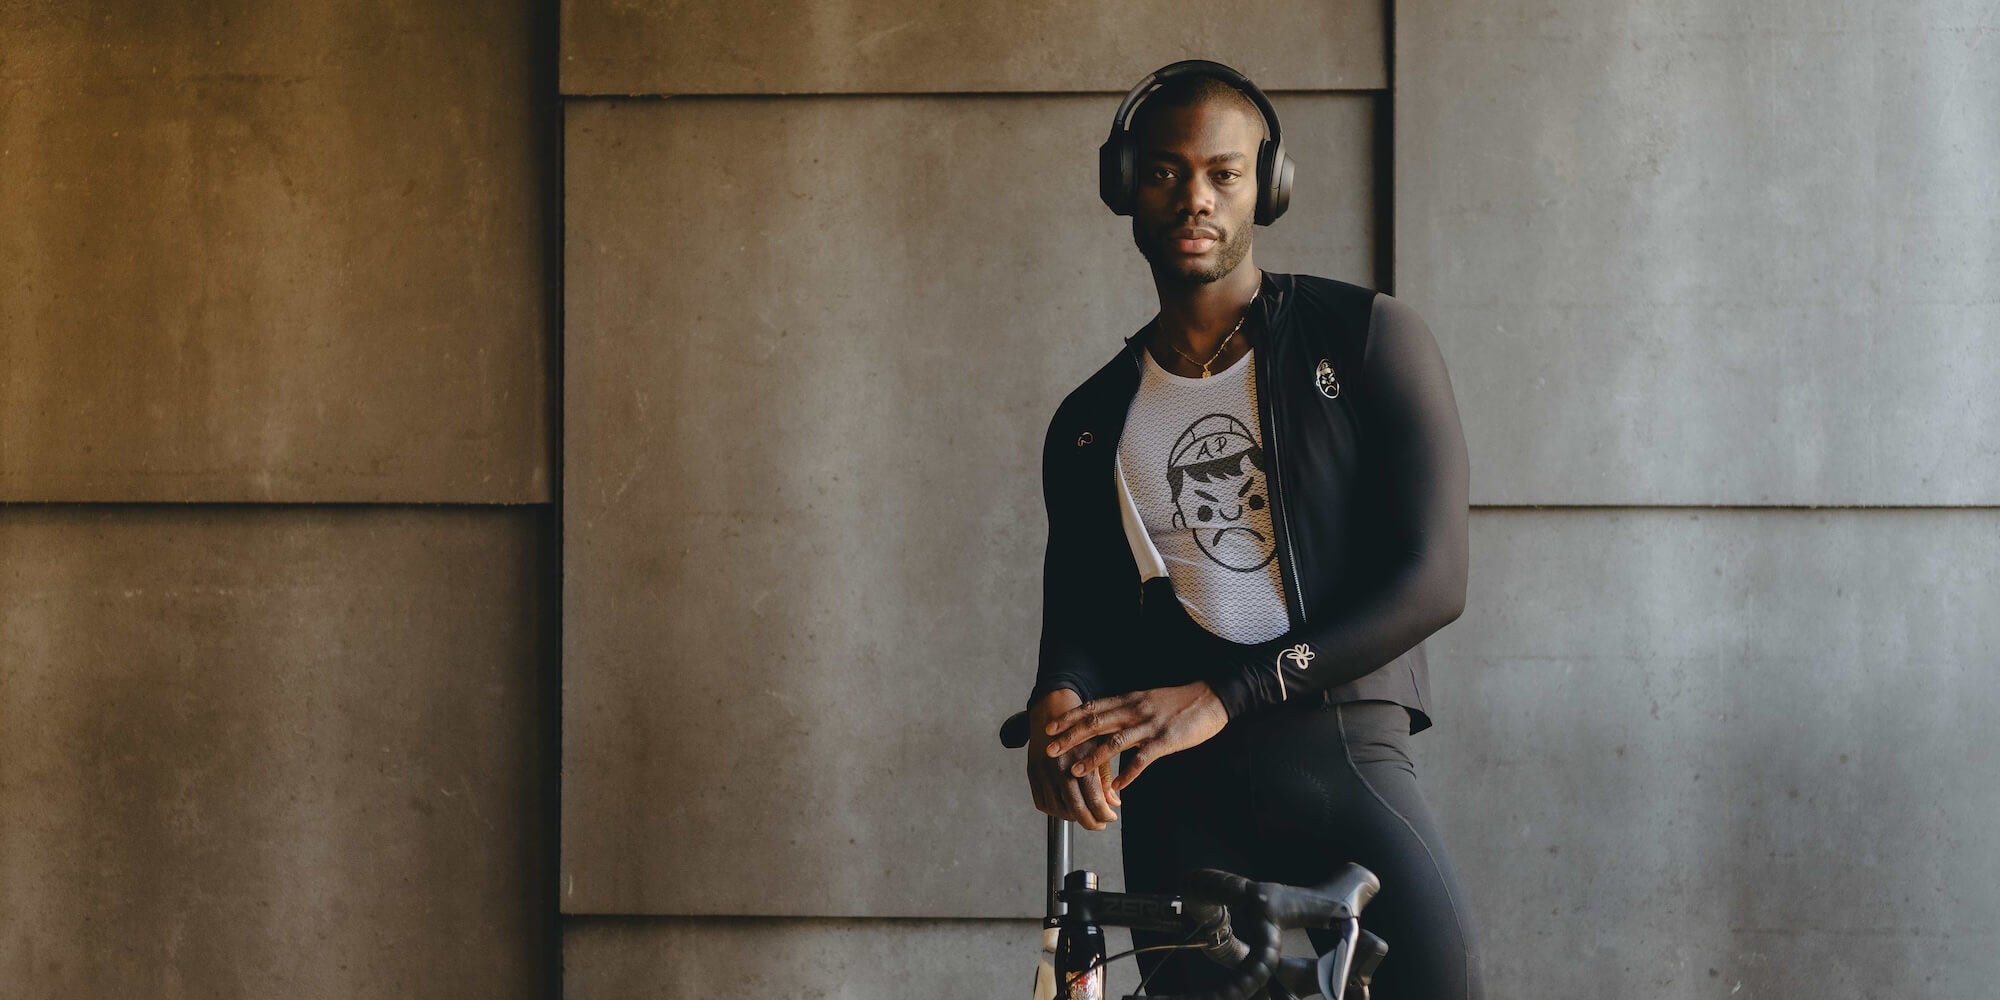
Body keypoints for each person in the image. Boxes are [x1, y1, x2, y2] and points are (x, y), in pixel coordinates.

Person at [1022, 61, 1484, 998]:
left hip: (1340, 750)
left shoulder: (1365, 338)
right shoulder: (1090, 418)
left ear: (1264, 187)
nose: (1195, 197)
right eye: (1165, 172)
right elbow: (1078, 612)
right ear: (1126, 186)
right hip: (1176, 793)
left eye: (1224, 173)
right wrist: (1058, 702)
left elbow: (1434, 579)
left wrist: (1223, 696)